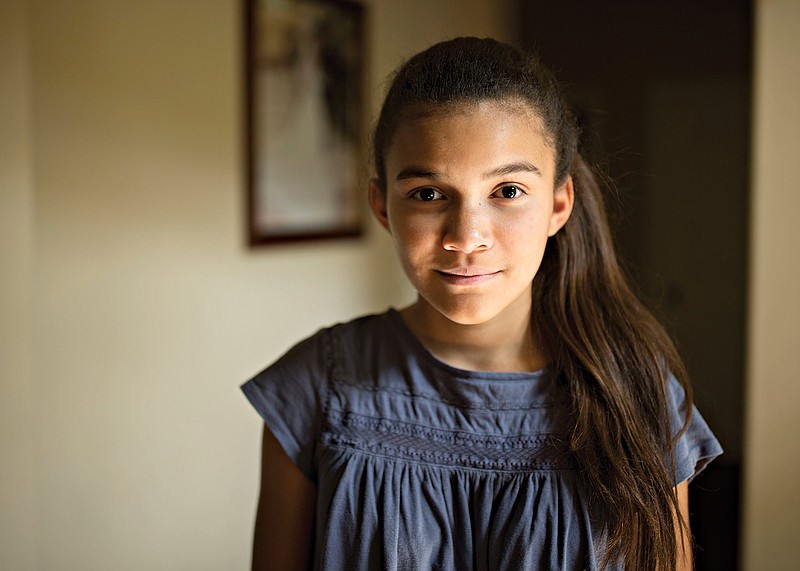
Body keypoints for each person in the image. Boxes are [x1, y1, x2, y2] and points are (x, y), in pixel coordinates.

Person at [241, 37, 722, 570]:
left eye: (508, 191)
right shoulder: (314, 388)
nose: (467, 237)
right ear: (382, 206)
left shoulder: (639, 392)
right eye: (428, 193)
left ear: (559, 204)